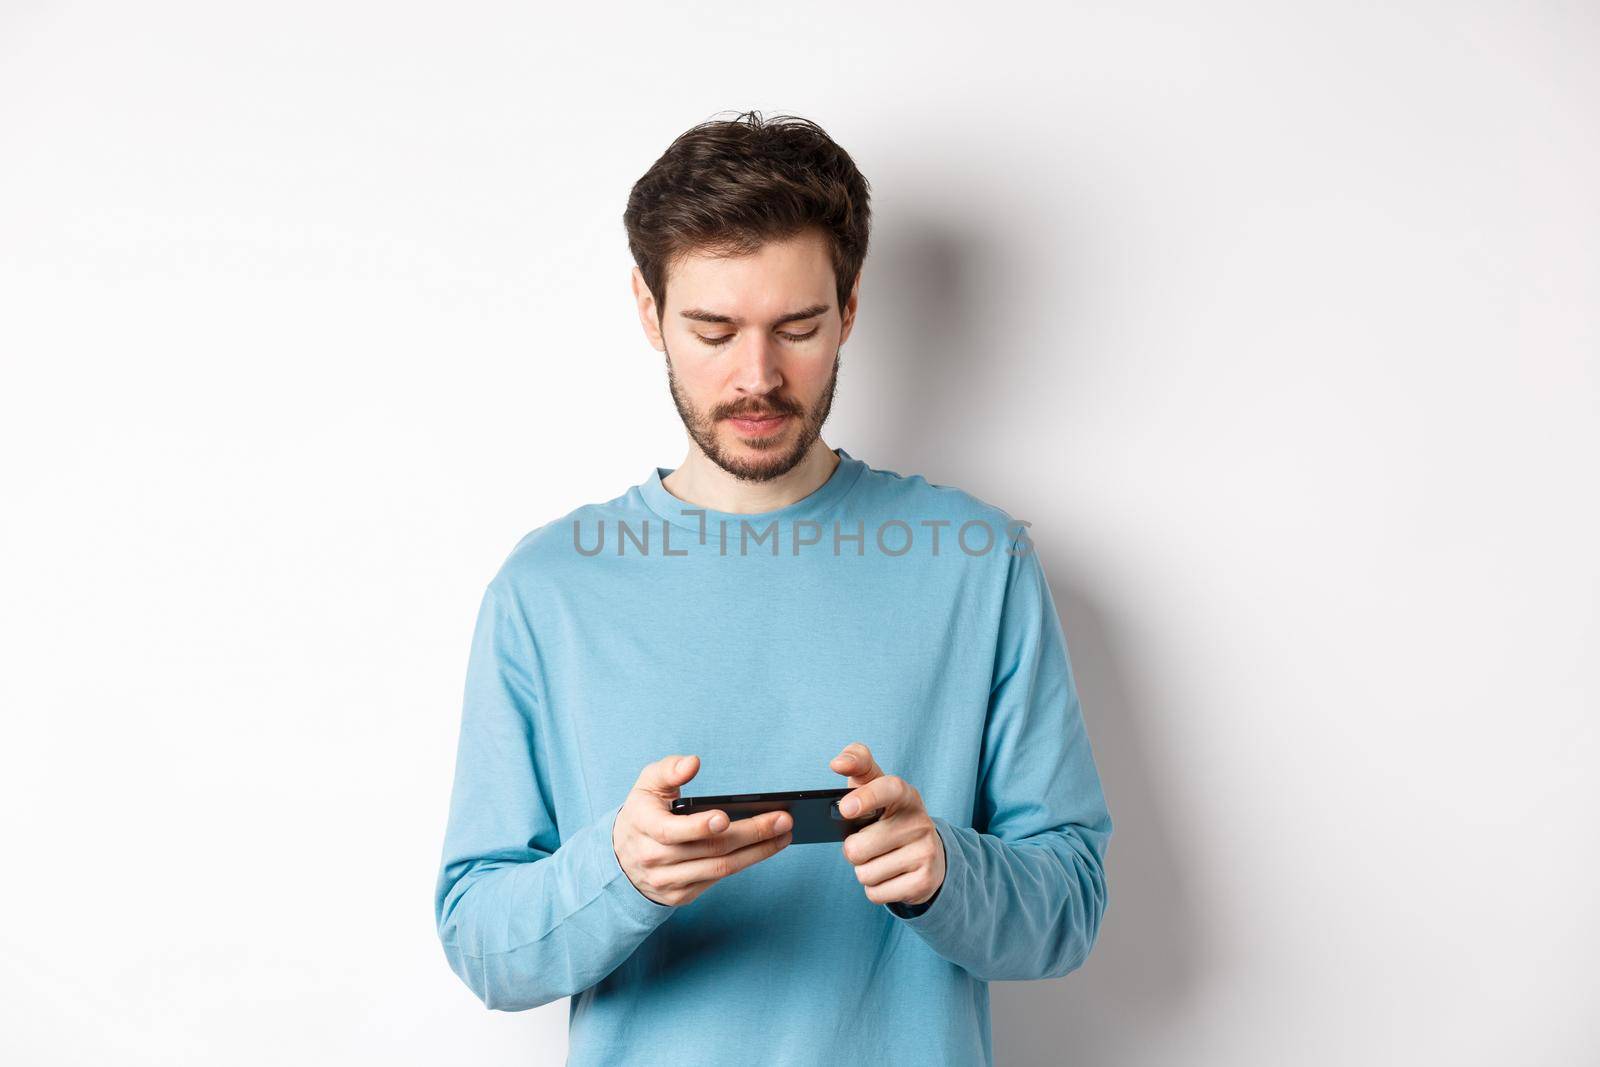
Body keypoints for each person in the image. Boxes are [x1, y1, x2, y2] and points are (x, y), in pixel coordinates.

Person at [433, 110, 1113, 1066]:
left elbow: (1071, 906)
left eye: (798, 327)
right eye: (713, 330)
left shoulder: (978, 562)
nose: (758, 378)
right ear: (647, 309)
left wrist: (948, 872)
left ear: (851, 308)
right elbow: (480, 941)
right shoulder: (548, 587)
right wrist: (615, 872)